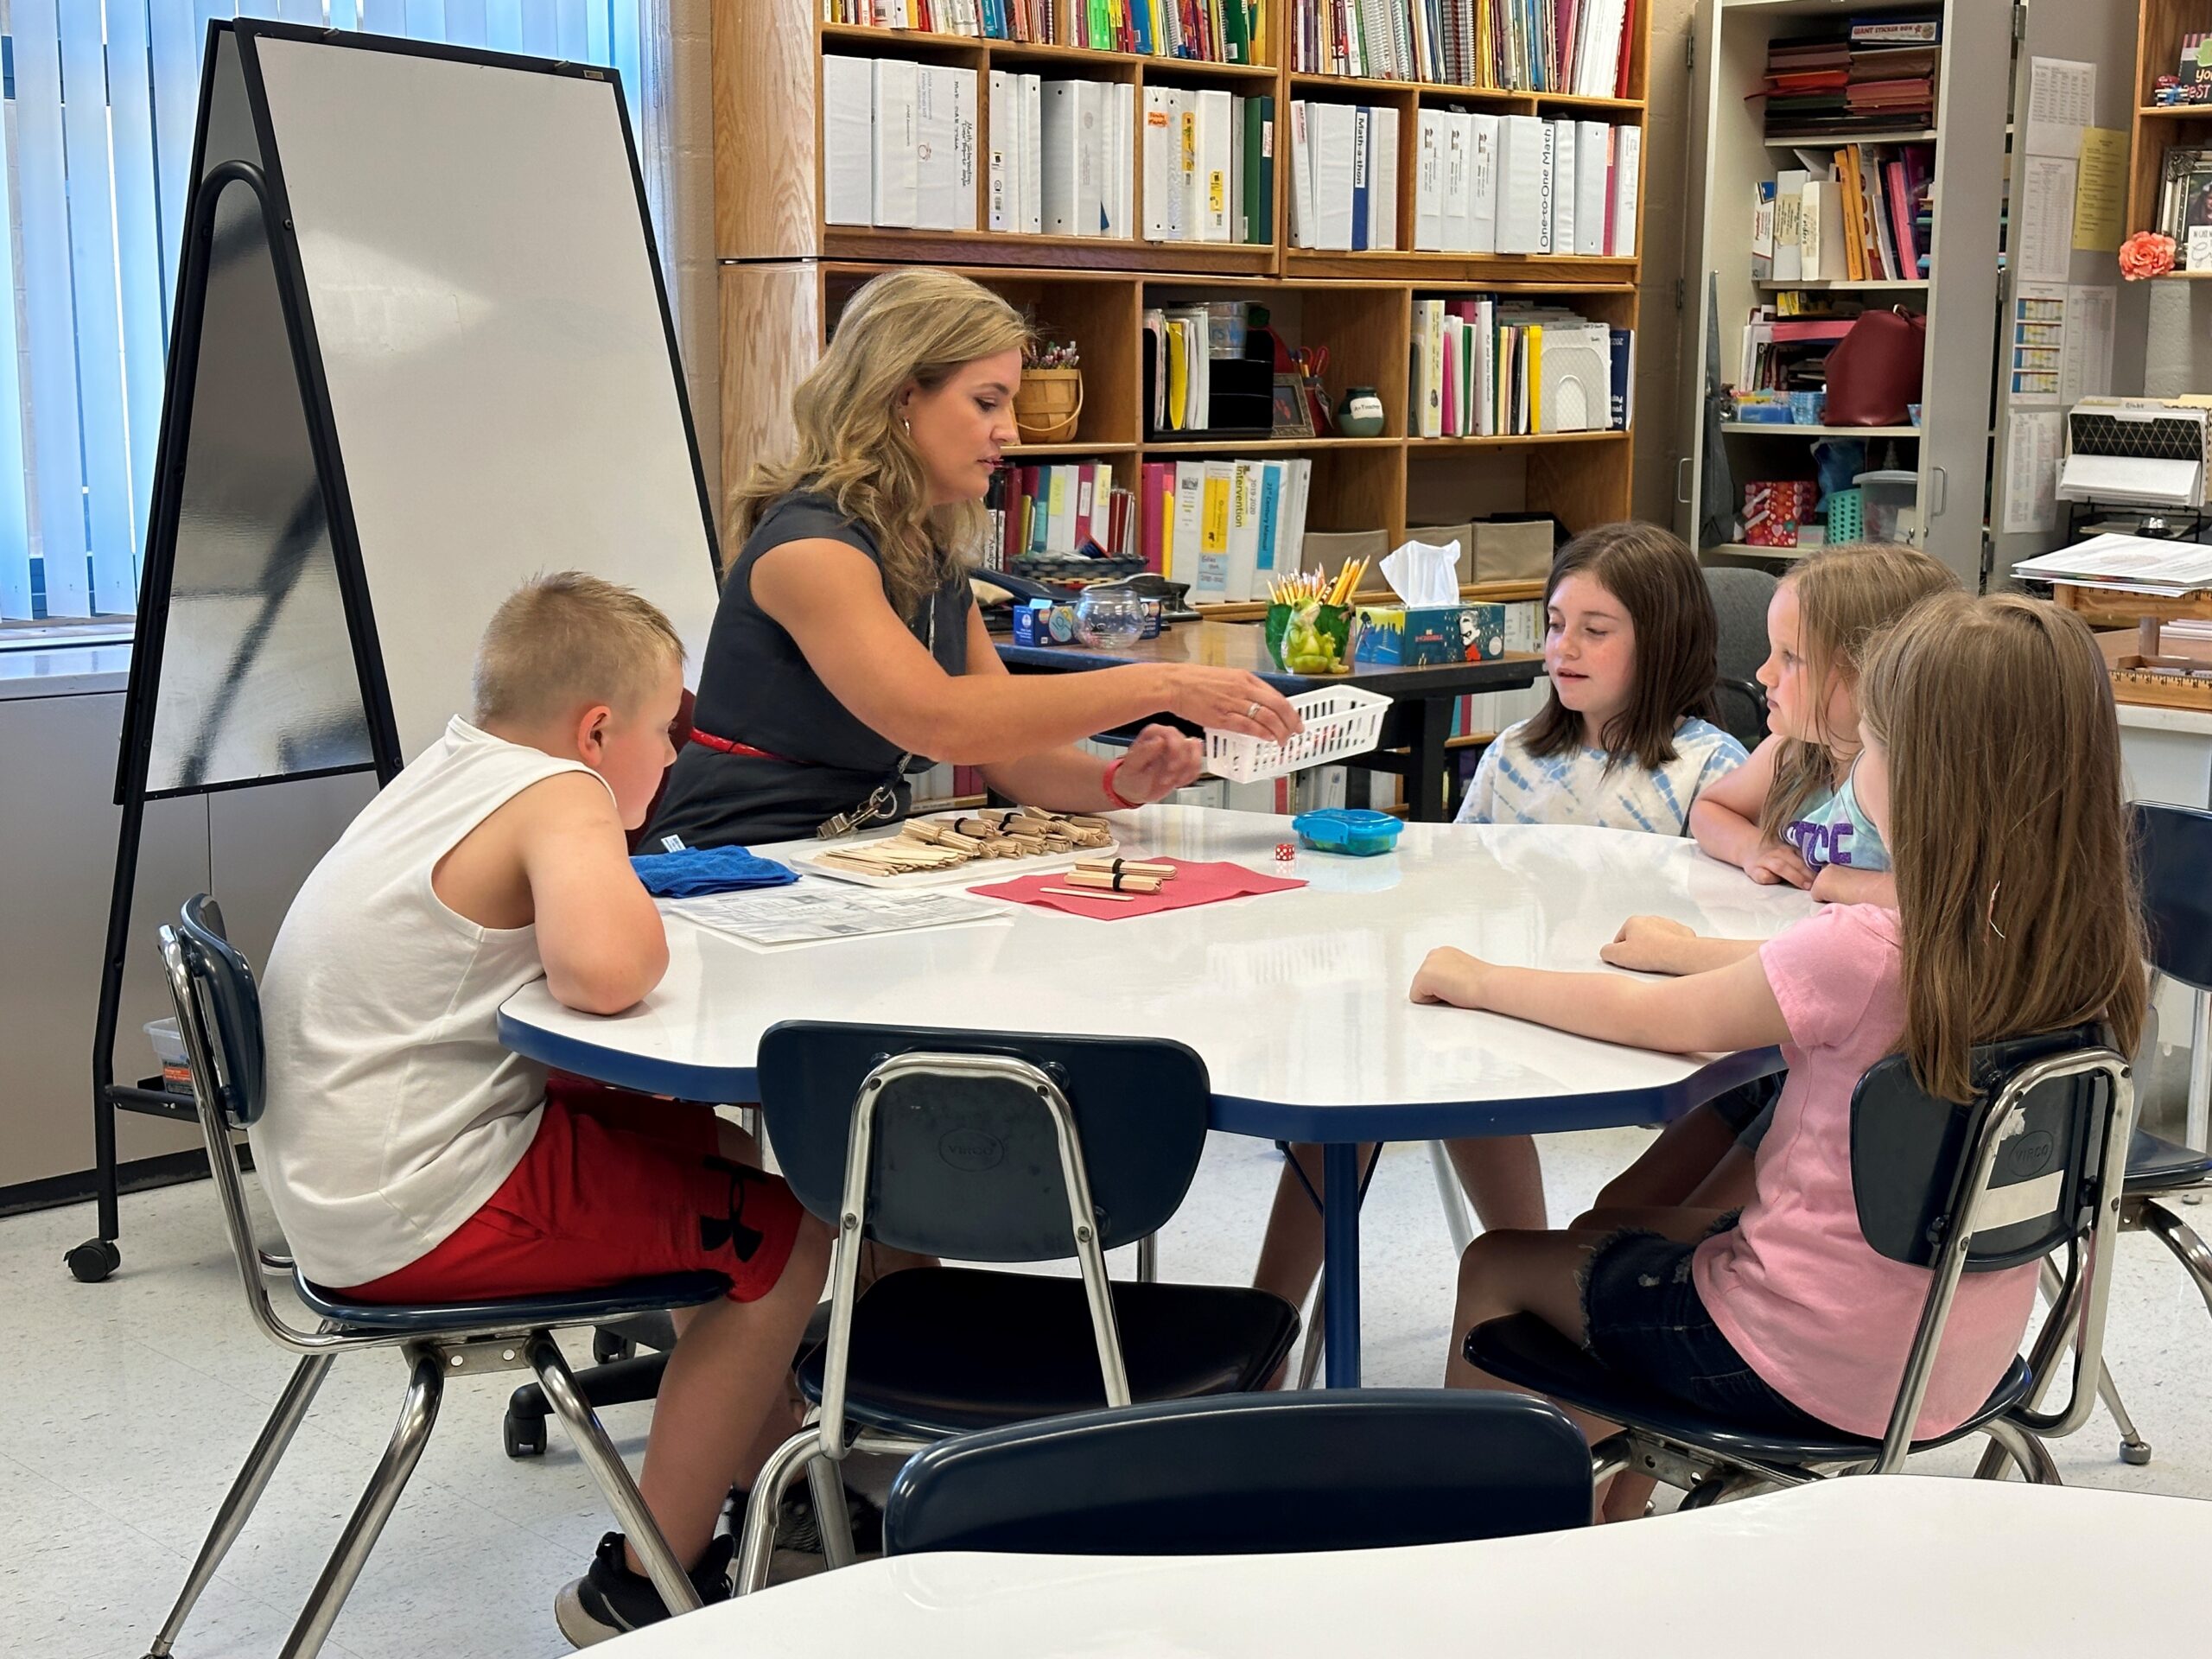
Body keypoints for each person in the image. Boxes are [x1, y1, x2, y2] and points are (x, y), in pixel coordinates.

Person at [1417, 593, 2145, 1519]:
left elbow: (1669, 1022)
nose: (1858, 768)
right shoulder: (2075, 947)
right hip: (1955, 1354)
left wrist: (1476, 978)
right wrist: (1688, 948)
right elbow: (1804, 979)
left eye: (1873, 748)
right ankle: (1612, 1516)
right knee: (1624, 1224)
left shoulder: (1866, 946)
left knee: (1499, 1264)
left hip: (1800, 1358)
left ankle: (1465, 1537)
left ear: (1928, 773)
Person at [252, 575, 831, 1642]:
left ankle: (779, 1491)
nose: (676, 757)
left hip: (341, 1186)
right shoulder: (560, 791)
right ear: (597, 730)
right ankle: (647, 1579)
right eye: (668, 730)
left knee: (680, 1136)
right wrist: (617, 874)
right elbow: (607, 973)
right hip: (418, 1207)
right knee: (791, 1238)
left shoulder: (456, 766)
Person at [1249, 524, 1745, 1319]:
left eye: (1595, 630)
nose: (1564, 650)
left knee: (1443, 1066)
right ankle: (1267, 1334)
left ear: (1664, 641)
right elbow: (1458, 879)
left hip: (1619, 1022)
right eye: (1555, 626)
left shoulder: (1712, 766)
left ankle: (1531, 1274)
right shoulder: (1515, 750)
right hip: (1504, 996)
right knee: (1359, 1088)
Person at [648, 267, 1300, 851]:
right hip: (730, 865)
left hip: (842, 859)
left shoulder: (920, 545)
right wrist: (1164, 685)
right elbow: (943, 723)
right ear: (901, 399)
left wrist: (1120, 781)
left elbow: (1005, 752)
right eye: (987, 402)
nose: (1010, 430)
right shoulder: (812, 551)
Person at [1590, 542, 1959, 1222]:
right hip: (1779, 1028)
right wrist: (1756, 846)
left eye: (1790, 659)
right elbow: (1711, 808)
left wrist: (1841, 885)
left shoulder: (1923, 790)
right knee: (1616, 1211)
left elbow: (1947, 908)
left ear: (1872, 675)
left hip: (1846, 1064)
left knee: (1672, 1229)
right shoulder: (1795, 756)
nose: (1762, 675)